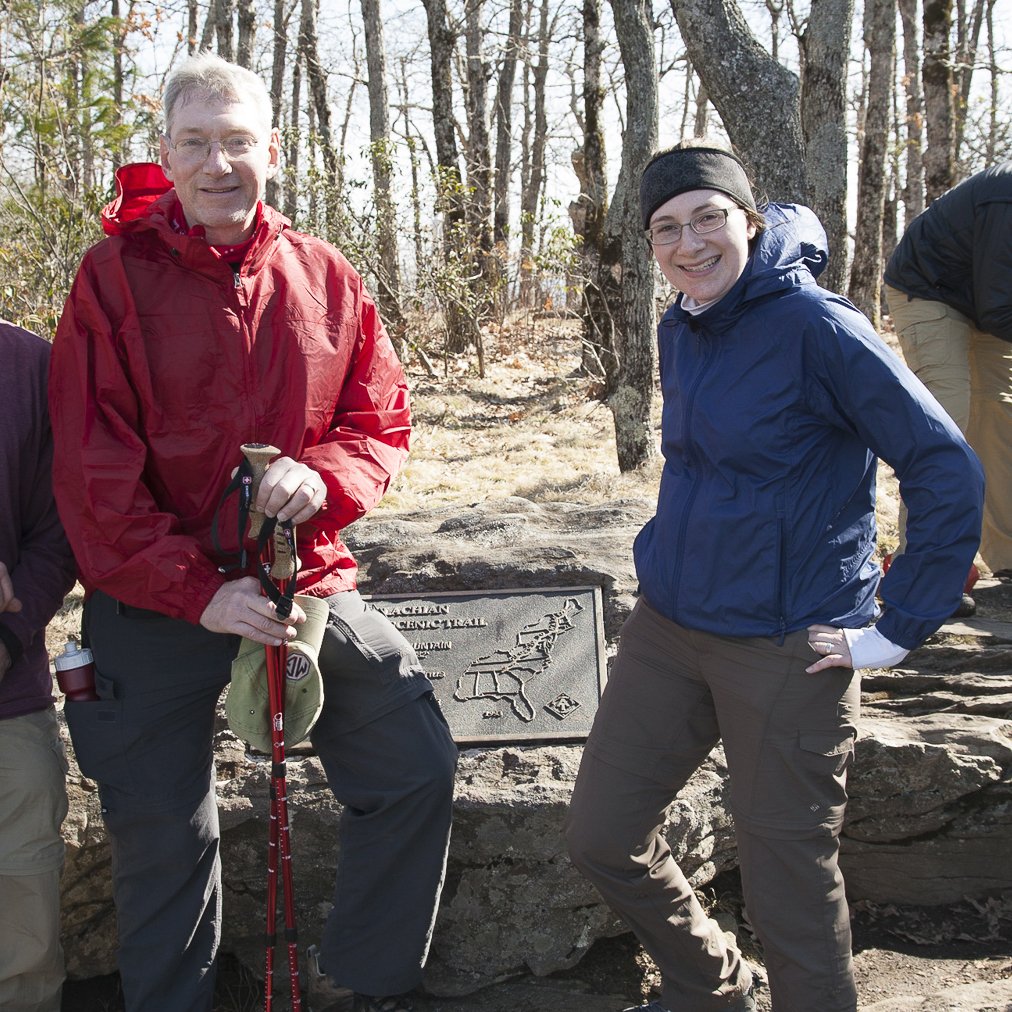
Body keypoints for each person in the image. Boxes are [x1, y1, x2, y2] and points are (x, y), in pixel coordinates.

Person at [49, 53, 457, 1012]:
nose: (218, 162)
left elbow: (381, 422)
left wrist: (324, 476)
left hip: (298, 585)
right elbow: (93, 477)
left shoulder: (325, 274)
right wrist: (201, 592)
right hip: (157, 600)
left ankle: (366, 982)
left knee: (414, 764)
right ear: (166, 154)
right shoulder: (110, 281)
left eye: (238, 141)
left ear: (273, 150)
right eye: (196, 142)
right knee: (162, 835)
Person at [565, 140, 984, 1012]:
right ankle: (711, 986)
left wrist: (899, 622)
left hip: (793, 646)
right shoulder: (681, 322)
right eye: (666, 228)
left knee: (787, 887)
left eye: (709, 218)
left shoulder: (820, 328)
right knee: (602, 836)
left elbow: (944, 467)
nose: (690, 244)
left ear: (748, 221)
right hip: (671, 629)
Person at [884, 162, 1012, 607]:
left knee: (1001, 415)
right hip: (929, 291)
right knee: (946, 425)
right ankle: (924, 570)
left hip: (985, 303)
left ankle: (1008, 558)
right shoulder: (1007, 194)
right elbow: (1000, 306)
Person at [0, 320, 77, 1012]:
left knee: (24, 950)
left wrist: (6, 635)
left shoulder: (29, 367)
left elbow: (58, 535)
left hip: (8, 699)